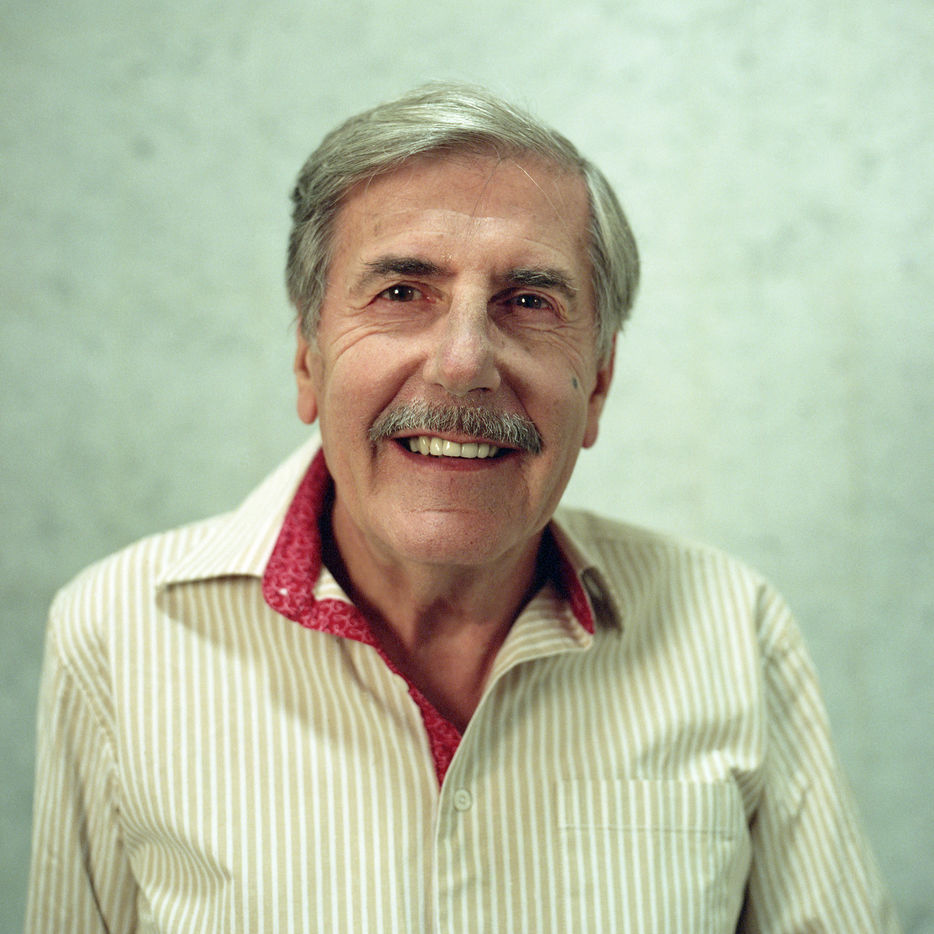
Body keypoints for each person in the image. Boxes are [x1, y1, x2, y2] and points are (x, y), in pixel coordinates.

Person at [27, 83, 899, 932]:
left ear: (597, 382)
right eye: (402, 293)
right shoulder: (118, 632)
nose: (463, 363)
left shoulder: (733, 630)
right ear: (306, 356)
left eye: (529, 302)